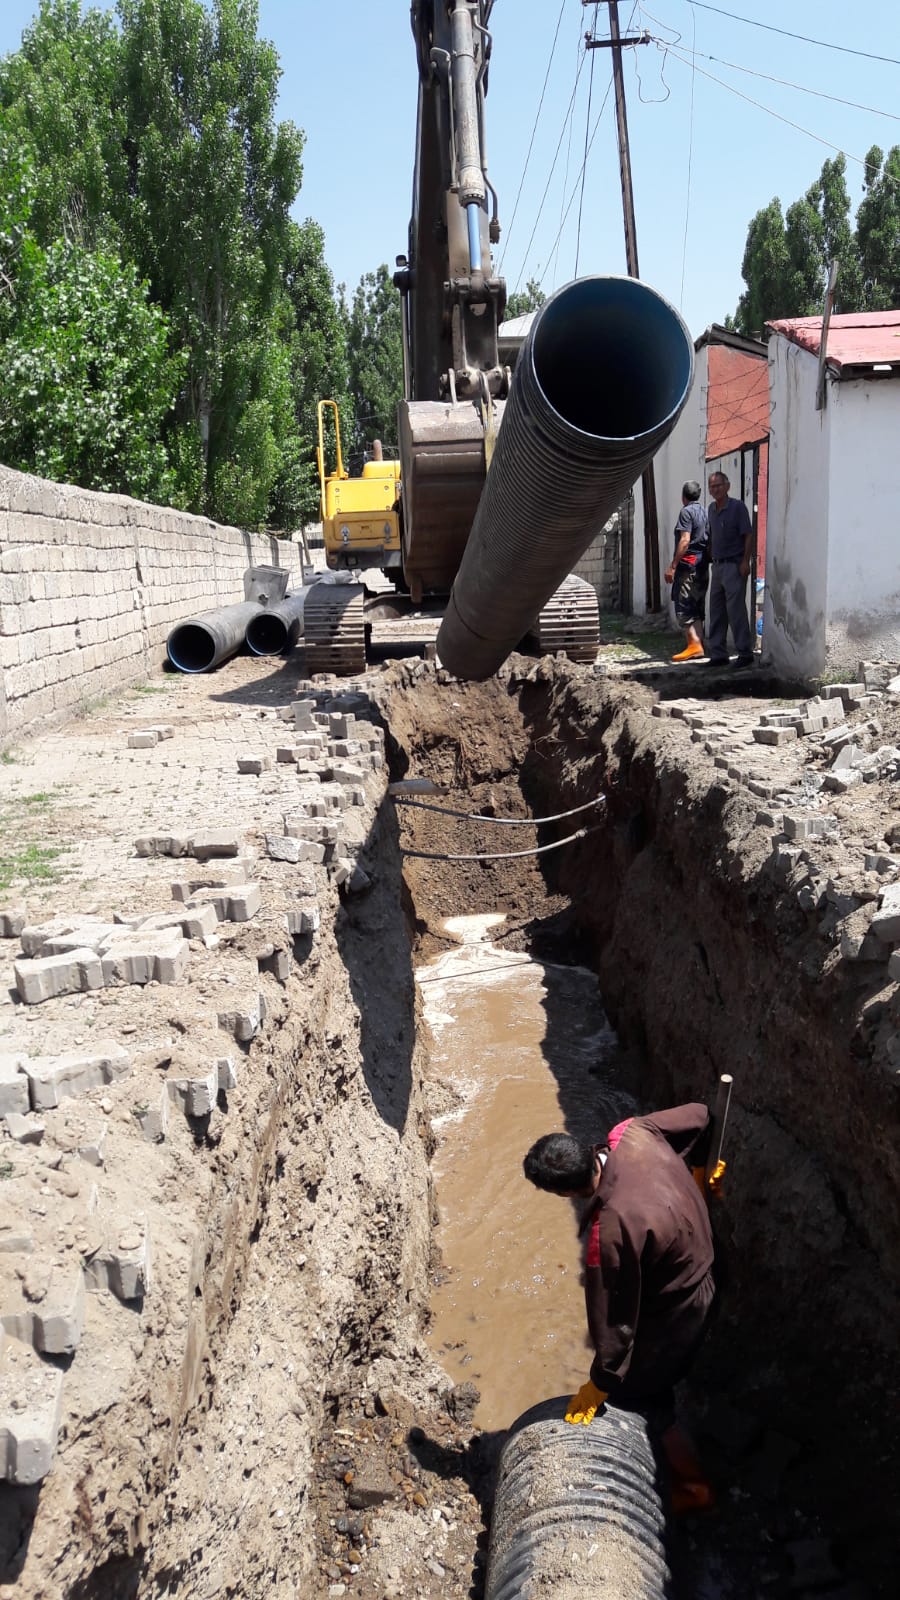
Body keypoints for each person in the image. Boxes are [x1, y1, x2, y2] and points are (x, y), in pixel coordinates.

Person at [523, 1105, 724, 1509]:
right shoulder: (632, 1132)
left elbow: (616, 1326)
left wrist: (602, 1382)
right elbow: (703, 1115)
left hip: (683, 1307)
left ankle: (694, 1487)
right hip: (709, 1262)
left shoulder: (611, 1229)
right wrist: (701, 1172)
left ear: (564, 1193)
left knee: (642, 1398)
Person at [705, 471, 754, 668]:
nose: (714, 489)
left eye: (718, 486)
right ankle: (718, 654)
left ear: (727, 486)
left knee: (736, 611)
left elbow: (748, 535)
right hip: (717, 566)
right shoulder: (711, 509)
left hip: (734, 565)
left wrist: (745, 561)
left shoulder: (737, 507)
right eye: (711, 486)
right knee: (716, 611)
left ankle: (745, 653)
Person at [664, 480, 709, 662]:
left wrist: (673, 565)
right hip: (702, 561)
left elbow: (684, 540)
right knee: (696, 603)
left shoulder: (686, 512)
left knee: (683, 601)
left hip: (688, 562)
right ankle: (697, 645)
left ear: (683, 497)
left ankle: (694, 644)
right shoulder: (706, 512)